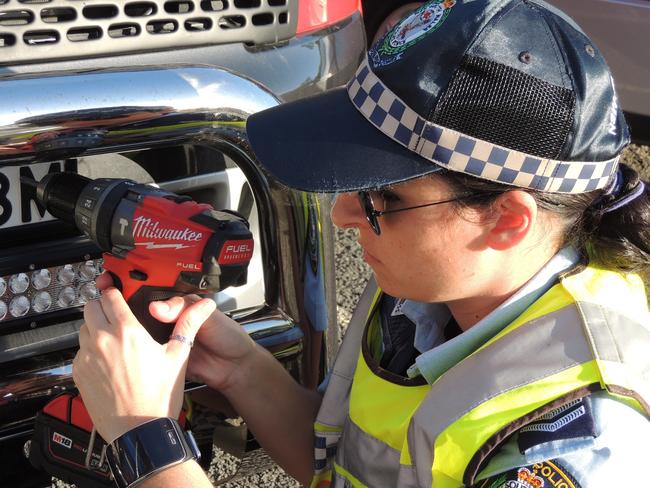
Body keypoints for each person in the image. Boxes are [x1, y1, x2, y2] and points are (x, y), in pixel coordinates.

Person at [72, 0, 650, 487]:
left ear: (507, 220)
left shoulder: (578, 445)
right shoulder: (435, 285)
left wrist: (145, 437)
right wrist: (241, 369)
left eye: (384, 198)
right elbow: (349, 465)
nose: (346, 214)